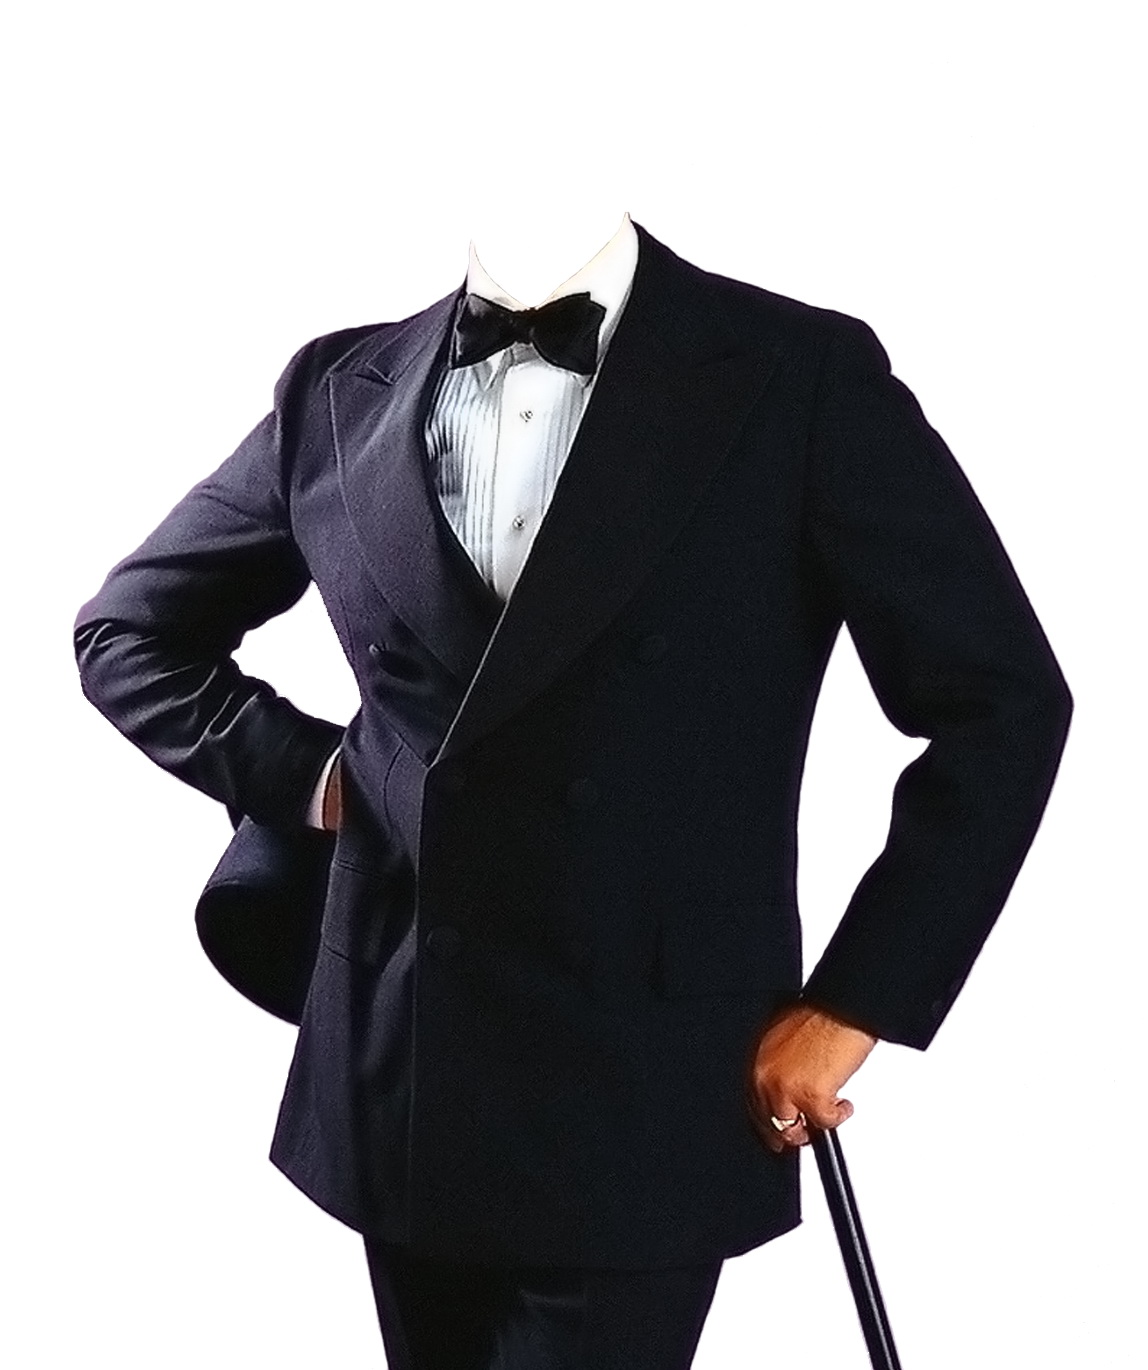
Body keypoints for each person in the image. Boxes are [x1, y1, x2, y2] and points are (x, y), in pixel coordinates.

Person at [73, 210, 1073, 1368]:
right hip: (404, 1056)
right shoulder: (339, 384)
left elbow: (1001, 704)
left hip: (648, 1073)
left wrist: (853, 1007)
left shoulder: (794, 372)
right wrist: (314, 775)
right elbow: (128, 631)